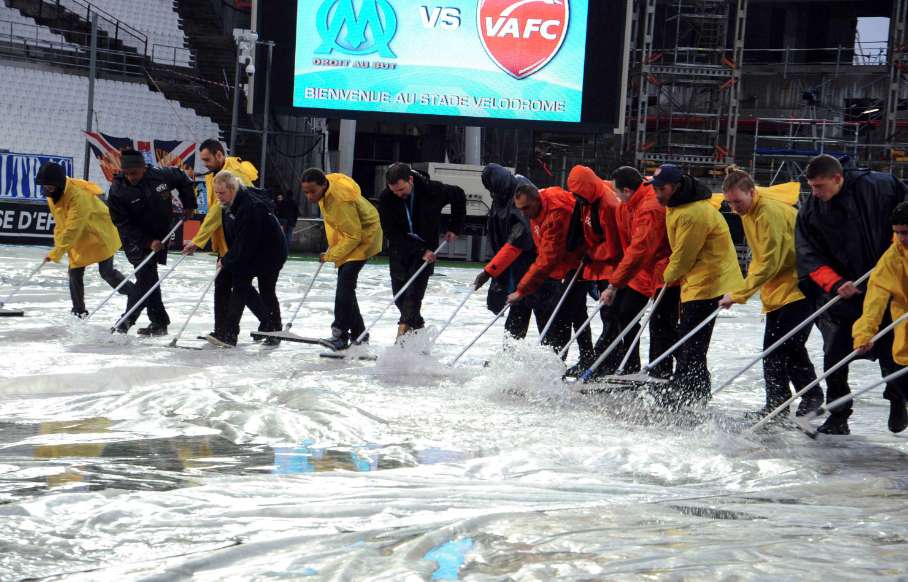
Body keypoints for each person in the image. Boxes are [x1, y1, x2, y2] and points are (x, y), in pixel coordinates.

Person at [798, 154, 908, 434]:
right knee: (835, 354)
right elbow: (807, 251)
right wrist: (834, 283)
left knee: (893, 353)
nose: (816, 193)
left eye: (820, 186)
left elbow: (904, 215)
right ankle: (838, 415)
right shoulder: (812, 209)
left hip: (887, 280)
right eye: (812, 186)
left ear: (837, 178)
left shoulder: (879, 186)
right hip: (845, 292)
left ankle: (897, 400)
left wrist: (897, 250)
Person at [717, 168, 824, 417]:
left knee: (786, 345)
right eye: (730, 203)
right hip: (778, 290)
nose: (734, 208)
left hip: (801, 285)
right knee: (775, 348)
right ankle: (778, 403)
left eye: (738, 202)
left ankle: (811, 396)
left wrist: (740, 293)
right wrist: (747, 289)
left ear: (752, 192)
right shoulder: (749, 212)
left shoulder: (768, 213)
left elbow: (770, 261)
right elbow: (760, 258)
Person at [651, 164, 744, 406]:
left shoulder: (693, 213)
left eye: (662, 188)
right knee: (690, 337)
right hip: (696, 279)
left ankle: (688, 389)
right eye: (655, 188)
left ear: (676, 186)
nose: (658, 193)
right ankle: (694, 389)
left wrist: (666, 276)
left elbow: (684, 255)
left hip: (709, 281)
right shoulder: (679, 205)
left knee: (691, 338)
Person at [599, 166, 678, 379]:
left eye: (617, 191)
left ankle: (662, 371)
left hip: (661, 271)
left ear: (626, 190)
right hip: (641, 270)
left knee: (661, 323)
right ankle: (632, 365)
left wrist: (615, 283)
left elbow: (641, 248)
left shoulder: (649, 207)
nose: (614, 195)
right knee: (623, 311)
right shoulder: (627, 206)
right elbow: (630, 247)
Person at [107, 149, 197, 335]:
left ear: (144, 168)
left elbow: (182, 178)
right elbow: (122, 223)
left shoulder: (160, 176)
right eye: (127, 173)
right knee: (146, 277)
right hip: (135, 240)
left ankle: (159, 322)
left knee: (150, 278)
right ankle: (126, 321)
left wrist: (189, 204)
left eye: (135, 173)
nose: (131, 177)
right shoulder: (118, 191)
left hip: (161, 233)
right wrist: (148, 242)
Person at [181, 139, 263, 340]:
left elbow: (217, 210)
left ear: (219, 155)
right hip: (229, 240)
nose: (205, 164)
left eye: (207, 159)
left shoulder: (233, 175)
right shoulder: (217, 174)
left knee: (237, 285)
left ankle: (233, 331)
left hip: (242, 241)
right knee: (229, 285)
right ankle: (225, 330)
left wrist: (198, 240)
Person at [35, 161, 135, 318]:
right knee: (74, 272)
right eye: (44, 186)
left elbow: (74, 226)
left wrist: (58, 251)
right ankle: (79, 311)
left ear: (59, 184)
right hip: (80, 238)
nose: (46, 189)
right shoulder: (52, 196)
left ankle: (133, 292)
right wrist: (58, 247)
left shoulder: (78, 195)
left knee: (106, 272)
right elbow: (61, 223)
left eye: (49, 186)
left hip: (99, 233)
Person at [378, 163, 466, 338]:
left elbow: (458, 195)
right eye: (394, 191)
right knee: (400, 298)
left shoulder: (432, 190)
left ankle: (401, 339)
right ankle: (420, 337)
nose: (398, 194)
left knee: (413, 297)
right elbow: (390, 232)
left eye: (401, 189)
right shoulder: (387, 198)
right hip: (401, 250)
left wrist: (455, 227)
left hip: (427, 251)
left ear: (410, 180)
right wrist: (418, 250)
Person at [300, 169, 383, 351]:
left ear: (323, 185)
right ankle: (360, 335)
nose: (309, 196)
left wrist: (331, 255)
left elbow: (354, 235)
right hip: (352, 238)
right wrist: (334, 246)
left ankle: (339, 334)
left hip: (364, 238)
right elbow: (339, 225)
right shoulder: (326, 188)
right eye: (305, 192)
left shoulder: (338, 201)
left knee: (344, 286)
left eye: (312, 191)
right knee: (346, 288)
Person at [205, 171, 288, 348]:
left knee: (262, 290)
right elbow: (234, 237)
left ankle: (272, 330)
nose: (218, 197)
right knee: (232, 283)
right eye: (216, 193)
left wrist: (228, 260)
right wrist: (227, 257)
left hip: (271, 253)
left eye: (222, 193)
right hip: (251, 249)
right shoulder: (228, 204)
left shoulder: (250, 207)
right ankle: (226, 330)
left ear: (233, 189)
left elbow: (246, 242)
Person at [853, 201, 908, 433]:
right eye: (897, 232)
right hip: (904, 330)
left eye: (905, 233)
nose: (901, 238)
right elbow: (875, 298)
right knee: (900, 376)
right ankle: (899, 403)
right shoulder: (893, 256)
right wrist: (864, 333)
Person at [506, 183, 580, 355]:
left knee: (566, 316)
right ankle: (558, 360)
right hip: (556, 268)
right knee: (569, 314)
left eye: (526, 208)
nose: (523, 213)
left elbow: (549, 256)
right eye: (520, 209)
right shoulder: (539, 205)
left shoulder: (556, 213)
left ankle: (558, 364)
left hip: (572, 265)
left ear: (536, 200)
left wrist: (522, 289)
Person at [565, 165, 624, 376]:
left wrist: (593, 254)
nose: (576, 198)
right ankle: (601, 361)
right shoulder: (586, 201)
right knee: (607, 315)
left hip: (611, 269)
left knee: (612, 316)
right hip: (598, 267)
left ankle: (608, 363)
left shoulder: (607, 204)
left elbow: (615, 245)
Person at [472, 164, 538, 339]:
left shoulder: (520, 193)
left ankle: (552, 355)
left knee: (535, 307)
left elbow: (520, 238)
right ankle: (511, 351)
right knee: (518, 307)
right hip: (511, 259)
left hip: (533, 261)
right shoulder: (500, 195)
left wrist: (490, 271)